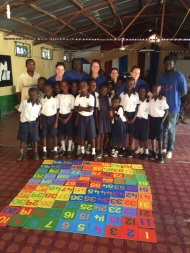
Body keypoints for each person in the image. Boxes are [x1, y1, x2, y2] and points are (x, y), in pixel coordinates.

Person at [160, 55, 187, 158]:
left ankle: (170, 150)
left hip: (173, 108)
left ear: (174, 64)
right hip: (162, 109)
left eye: (170, 63)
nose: (168, 65)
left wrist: (174, 98)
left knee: (171, 130)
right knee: (163, 128)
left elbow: (183, 92)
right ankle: (163, 147)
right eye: (166, 63)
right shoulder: (161, 76)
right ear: (164, 64)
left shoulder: (179, 76)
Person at [16, 59, 40, 151]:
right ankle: (28, 141)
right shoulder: (21, 77)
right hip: (25, 104)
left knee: (34, 122)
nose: (32, 66)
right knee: (24, 123)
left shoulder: (37, 76)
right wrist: (20, 102)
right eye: (30, 65)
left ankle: (34, 140)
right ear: (26, 66)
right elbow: (18, 91)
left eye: (33, 65)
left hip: (34, 103)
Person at [74, 80, 97, 161]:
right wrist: (85, 108)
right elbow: (76, 109)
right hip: (81, 118)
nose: (82, 87)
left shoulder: (91, 97)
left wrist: (81, 108)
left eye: (84, 85)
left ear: (88, 87)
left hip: (90, 118)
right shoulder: (78, 97)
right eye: (81, 85)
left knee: (92, 136)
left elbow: (90, 110)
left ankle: (93, 153)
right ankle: (82, 152)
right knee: (81, 136)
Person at [16, 87, 41, 162]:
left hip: (33, 123)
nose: (33, 96)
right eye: (31, 94)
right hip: (24, 123)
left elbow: (38, 115)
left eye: (35, 94)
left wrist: (38, 123)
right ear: (29, 95)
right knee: (23, 139)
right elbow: (20, 112)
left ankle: (35, 152)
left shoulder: (38, 105)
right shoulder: (24, 102)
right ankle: (21, 152)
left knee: (35, 138)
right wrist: (20, 122)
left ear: (37, 95)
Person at [149, 84, 169, 163]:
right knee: (152, 137)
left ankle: (160, 153)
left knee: (159, 138)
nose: (154, 91)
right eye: (153, 89)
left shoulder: (162, 100)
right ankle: (154, 152)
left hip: (159, 120)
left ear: (159, 91)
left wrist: (162, 120)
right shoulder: (150, 100)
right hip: (152, 119)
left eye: (156, 90)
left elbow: (167, 111)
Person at [120, 77, 139, 158]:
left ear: (134, 85)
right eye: (128, 83)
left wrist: (134, 117)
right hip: (124, 115)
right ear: (125, 84)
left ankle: (130, 149)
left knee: (131, 133)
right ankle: (123, 147)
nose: (129, 85)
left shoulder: (136, 95)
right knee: (124, 133)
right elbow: (120, 107)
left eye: (131, 84)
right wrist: (126, 118)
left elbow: (137, 107)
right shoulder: (122, 95)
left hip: (133, 115)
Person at [40, 83, 59, 159]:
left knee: (54, 135)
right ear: (43, 91)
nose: (47, 90)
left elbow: (57, 111)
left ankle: (55, 150)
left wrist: (56, 122)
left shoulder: (55, 99)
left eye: (49, 89)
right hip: (44, 118)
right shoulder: (42, 100)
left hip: (53, 118)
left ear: (52, 90)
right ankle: (44, 150)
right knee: (44, 135)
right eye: (45, 89)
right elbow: (41, 112)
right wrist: (40, 122)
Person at [57, 80, 75, 158]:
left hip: (69, 117)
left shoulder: (71, 97)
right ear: (60, 87)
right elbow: (57, 109)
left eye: (65, 86)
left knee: (70, 134)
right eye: (62, 86)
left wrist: (67, 119)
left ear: (69, 86)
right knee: (61, 134)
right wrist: (60, 118)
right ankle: (63, 149)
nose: (64, 87)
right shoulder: (58, 97)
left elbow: (72, 110)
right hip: (60, 117)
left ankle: (69, 149)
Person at [134, 85, 150, 160]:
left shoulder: (148, 102)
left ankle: (146, 151)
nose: (142, 93)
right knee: (139, 137)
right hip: (138, 120)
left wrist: (148, 125)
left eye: (143, 92)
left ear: (146, 92)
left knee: (144, 137)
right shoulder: (137, 102)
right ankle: (141, 151)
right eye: (140, 92)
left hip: (145, 121)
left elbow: (149, 115)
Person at [96, 84, 112, 158]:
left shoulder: (108, 99)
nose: (104, 92)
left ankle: (105, 148)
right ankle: (100, 149)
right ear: (100, 90)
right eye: (103, 90)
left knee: (106, 134)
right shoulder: (98, 99)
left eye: (106, 91)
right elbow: (97, 111)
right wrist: (97, 121)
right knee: (101, 134)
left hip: (107, 118)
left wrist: (111, 118)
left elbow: (110, 109)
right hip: (101, 117)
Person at [86, 78, 99, 155]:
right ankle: (88, 145)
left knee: (93, 131)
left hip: (93, 115)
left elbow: (97, 109)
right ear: (88, 86)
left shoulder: (97, 95)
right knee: (86, 132)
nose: (93, 86)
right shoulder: (85, 94)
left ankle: (91, 145)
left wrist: (96, 120)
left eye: (95, 85)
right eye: (91, 85)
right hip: (86, 115)